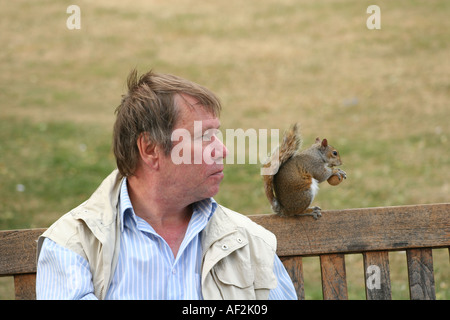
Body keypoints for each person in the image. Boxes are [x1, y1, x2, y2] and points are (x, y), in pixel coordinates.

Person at [36, 69, 297, 300]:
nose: (223, 150)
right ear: (150, 149)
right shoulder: (73, 246)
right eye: (206, 136)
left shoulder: (248, 242)